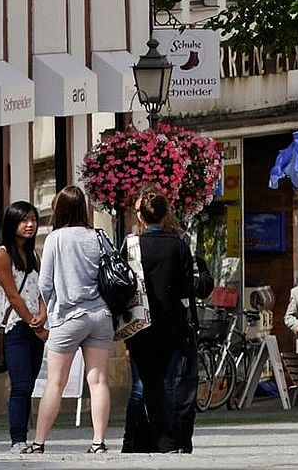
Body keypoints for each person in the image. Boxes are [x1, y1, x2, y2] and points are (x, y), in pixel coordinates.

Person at [29, 185, 112, 455]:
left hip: (68, 316)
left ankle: (39, 442)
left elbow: (44, 283)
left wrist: (48, 312)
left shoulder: (56, 238)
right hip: (100, 314)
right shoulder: (98, 235)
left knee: (55, 382)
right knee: (98, 380)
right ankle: (98, 442)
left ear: (60, 209)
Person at [121, 188, 198, 454]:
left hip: (140, 323)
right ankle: (166, 439)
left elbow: (121, 286)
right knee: (165, 381)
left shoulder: (132, 246)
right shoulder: (178, 245)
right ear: (166, 215)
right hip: (171, 323)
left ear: (141, 217)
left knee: (147, 383)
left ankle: (153, 439)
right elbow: (188, 287)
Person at [0, 201, 47, 454]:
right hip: (14, 327)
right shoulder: (2, 254)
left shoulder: (33, 255)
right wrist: (34, 323)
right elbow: (12, 294)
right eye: (24, 220)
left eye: (33, 219)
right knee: (20, 384)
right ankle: (17, 439)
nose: (30, 224)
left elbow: (42, 291)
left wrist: (42, 315)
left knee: (30, 385)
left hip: (35, 327)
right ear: (12, 223)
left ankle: (25, 436)